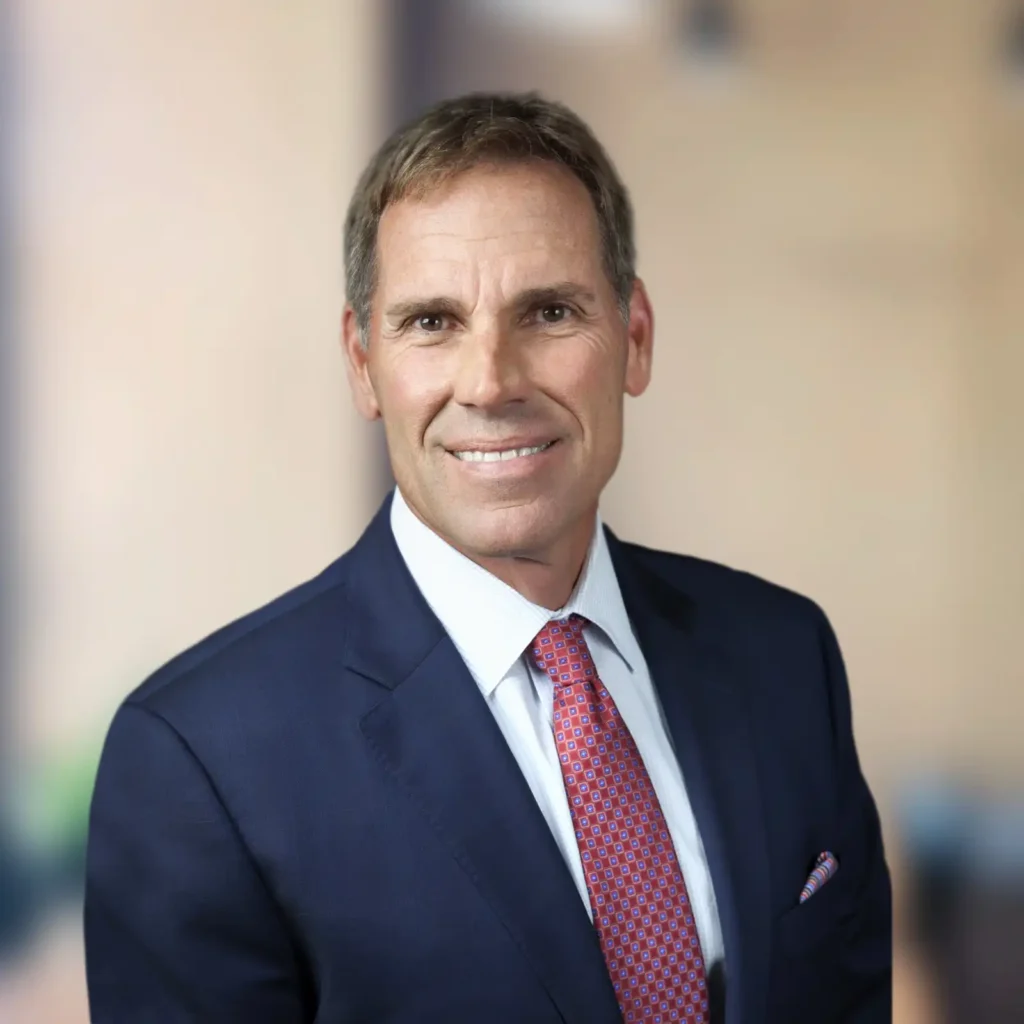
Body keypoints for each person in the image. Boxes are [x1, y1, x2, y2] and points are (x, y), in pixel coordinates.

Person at [85, 92, 891, 1024]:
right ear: (361, 362)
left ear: (634, 338)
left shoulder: (786, 656)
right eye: (432, 322)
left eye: (548, 311)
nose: (492, 381)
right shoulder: (196, 763)